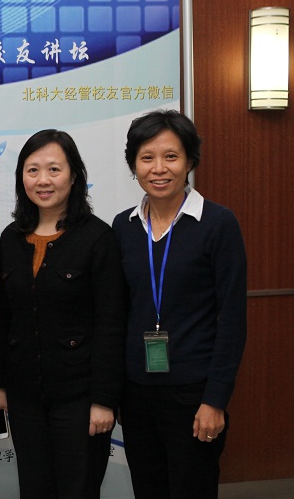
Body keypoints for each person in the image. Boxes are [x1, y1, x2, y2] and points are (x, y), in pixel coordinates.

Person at [0, 130, 127, 498]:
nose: (43, 180)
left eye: (54, 169)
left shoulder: (97, 238)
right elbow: (1, 318)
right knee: (34, 488)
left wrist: (104, 400)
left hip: (81, 398)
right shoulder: (11, 238)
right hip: (24, 397)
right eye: (32, 170)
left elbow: (110, 324)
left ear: (74, 175)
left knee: (77, 489)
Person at [112, 110, 247, 499]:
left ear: (189, 161)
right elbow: (117, 314)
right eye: (147, 157)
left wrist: (215, 400)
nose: (159, 168)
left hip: (194, 394)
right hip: (137, 395)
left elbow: (233, 319)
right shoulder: (124, 226)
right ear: (133, 165)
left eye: (171, 156)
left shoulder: (218, 223)